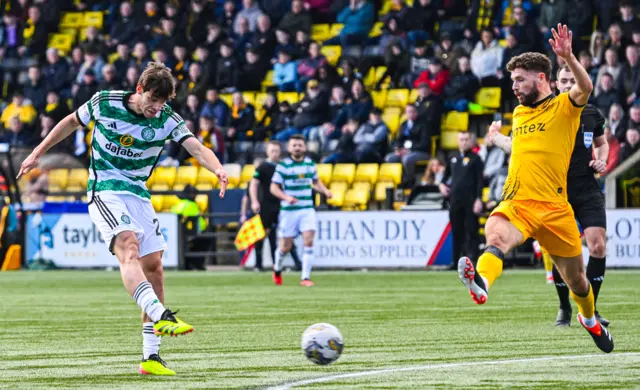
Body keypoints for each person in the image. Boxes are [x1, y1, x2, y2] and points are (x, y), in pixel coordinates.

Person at [17, 62, 230, 375]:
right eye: (153, 100)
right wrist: (38, 152)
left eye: (163, 102)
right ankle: (160, 314)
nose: (157, 108)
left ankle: (151, 358)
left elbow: (196, 147)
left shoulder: (167, 119)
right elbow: (70, 122)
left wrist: (218, 168)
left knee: (154, 267)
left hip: (138, 194)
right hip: (105, 189)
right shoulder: (106, 103)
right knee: (128, 248)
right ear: (140, 90)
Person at [456, 25, 613, 353]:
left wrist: (568, 56)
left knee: (578, 283)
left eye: (520, 79)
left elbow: (586, 87)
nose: (513, 86)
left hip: (555, 207)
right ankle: (482, 282)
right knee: (496, 236)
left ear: (542, 79)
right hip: (518, 203)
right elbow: (521, 147)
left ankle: (588, 319)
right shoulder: (519, 112)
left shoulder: (565, 108)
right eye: (512, 79)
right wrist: (496, 138)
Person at [490, 64, 611, 328]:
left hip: (586, 187)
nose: (568, 84)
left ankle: (592, 310)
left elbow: (602, 144)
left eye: (571, 79)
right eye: (564, 80)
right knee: (559, 251)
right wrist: (496, 138)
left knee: (598, 245)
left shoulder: (590, 113)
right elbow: (518, 146)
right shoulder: (545, 113)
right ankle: (564, 307)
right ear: (555, 83)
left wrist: (602, 161)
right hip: (555, 189)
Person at [270, 135, 332, 287]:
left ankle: (305, 278)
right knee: (285, 246)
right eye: (294, 145)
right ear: (289, 148)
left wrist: (325, 190)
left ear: (304, 147)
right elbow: (273, 187)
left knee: (308, 240)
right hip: (289, 211)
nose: (297, 148)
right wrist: (286, 197)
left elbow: (315, 182)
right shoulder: (283, 166)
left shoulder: (310, 164)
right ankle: (277, 268)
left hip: (306, 209)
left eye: (300, 145)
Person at [249, 141, 301, 271]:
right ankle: (258, 264)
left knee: (286, 235)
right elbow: (253, 184)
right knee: (261, 235)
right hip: (265, 205)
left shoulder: (283, 166)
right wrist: (254, 201)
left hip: (282, 205)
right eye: (272, 150)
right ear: (267, 151)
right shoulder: (262, 167)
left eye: (277, 151)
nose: (274, 153)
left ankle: (294, 264)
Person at [439, 132, 484, 268]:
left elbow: (480, 181)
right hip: (455, 200)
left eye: (466, 140)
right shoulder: (453, 158)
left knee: (471, 230)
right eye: (461, 140)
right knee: (456, 231)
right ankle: (456, 261)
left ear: (471, 141)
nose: (463, 142)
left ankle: (473, 261)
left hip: (470, 200)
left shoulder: (476, 159)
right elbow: (445, 177)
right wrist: (441, 185)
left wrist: (479, 199)